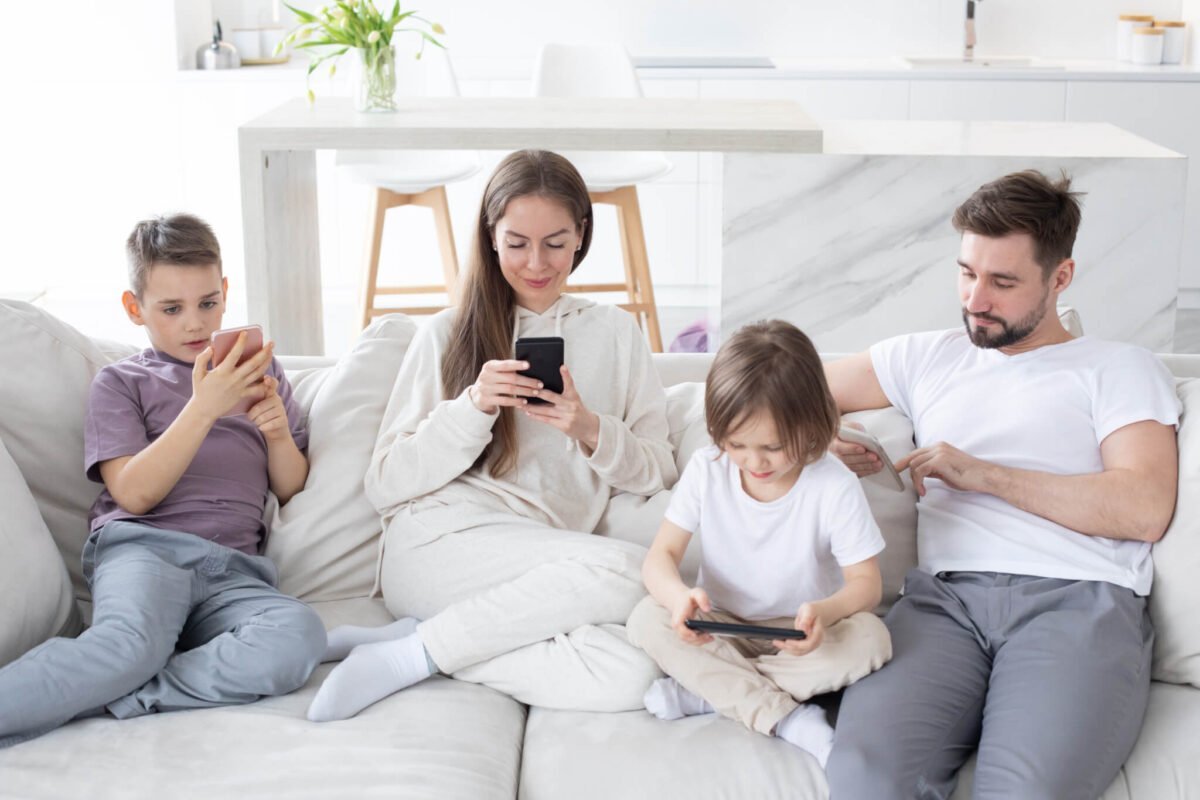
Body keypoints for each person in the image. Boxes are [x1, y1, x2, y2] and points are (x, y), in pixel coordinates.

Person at [823, 170, 1181, 799]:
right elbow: (782, 392)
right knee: (864, 779)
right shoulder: (927, 357)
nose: (976, 299)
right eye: (967, 272)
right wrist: (814, 435)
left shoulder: (1118, 368)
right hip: (941, 606)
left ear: (1060, 278)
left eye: (1003, 282)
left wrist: (983, 475)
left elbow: (1144, 507)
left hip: (1079, 604)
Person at [307, 150, 677, 722]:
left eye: (555, 242)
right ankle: (419, 651)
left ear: (581, 235)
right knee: (633, 572)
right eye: (516, 242)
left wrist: (590, 429)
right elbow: (387, 484)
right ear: (490, 236)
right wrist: (473, 407)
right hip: (439, 546)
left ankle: (418, 645)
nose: (536, 262)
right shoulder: (447, 332)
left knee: (632, 672)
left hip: (538, 568)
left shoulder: (616, 332)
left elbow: (659, 469)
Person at [0, 213, 325, 748]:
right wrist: (203, 409)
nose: (194, 324)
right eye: (171, 309)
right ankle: (115, 674)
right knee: (127, 647)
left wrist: (276, 437)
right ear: (136, 309)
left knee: (297, 636)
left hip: (232, 570)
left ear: (225, 292)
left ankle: (134, 694)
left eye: (207, 303)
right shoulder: (123, 381)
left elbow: (290, 487)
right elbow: (134, 492)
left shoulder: (259, 374)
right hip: (146, 551)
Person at [625, 320, 892, 767]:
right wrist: (679, 600)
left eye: (772, 446)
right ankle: (786, 718)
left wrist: (825, 613)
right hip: (721, 628)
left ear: (810, 426)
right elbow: (661, 558)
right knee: (644, 617)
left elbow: (867, 584)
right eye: (737, 444)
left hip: (799, 635)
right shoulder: (708, 468)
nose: (754, 462)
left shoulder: (833, 484)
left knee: (872, 638)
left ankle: (715, 692)